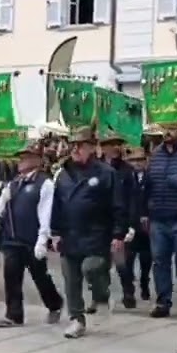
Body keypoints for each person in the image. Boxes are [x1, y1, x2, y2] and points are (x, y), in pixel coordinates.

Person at [51, 127, 128, 339]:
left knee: (91, 267)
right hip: (70, 234)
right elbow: (56, 205)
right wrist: (55, 232)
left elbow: (118, 206)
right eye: (72, 145)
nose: (75, 149)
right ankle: (77, 319)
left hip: (97, 234)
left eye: (80, 145)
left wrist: (118, 234)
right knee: (70, 280)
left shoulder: (105, 173)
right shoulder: (64, 173)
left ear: (91, 148)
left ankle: (102, 295)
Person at [0, 139, 63, 328]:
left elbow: (45, 212)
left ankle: (55, 303)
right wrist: (2, 200)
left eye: (25, 157)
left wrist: (43, 239)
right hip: (12, 238)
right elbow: (0, 210)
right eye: (20, 157)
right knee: (11, 276)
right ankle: (14, 314)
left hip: (32, 239)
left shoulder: (45, 183)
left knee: (40, 277)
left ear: (37, 160)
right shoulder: (14, 183)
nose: (20, 161)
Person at [141, 124, 177, 318]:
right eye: (165, 129)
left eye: (172, 129)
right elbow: (148, 183)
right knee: (159, 260)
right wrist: (144, 212)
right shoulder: (156, 153)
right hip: (158, 216)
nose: (167, 133)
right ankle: (163, 302)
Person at [100, 132, 140, 309]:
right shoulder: (97, 169)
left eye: (118, 144)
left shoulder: (127, 171)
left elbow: (133, 198)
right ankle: (101, 295)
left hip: (121, 221)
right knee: (100, 263)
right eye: (111, 144)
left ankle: (128, 292)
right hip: (101, 223)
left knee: (123, 263)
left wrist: (131, 224)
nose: (115, 147)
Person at [122, 146, 152, 306]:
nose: (137, 163)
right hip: (130, 223)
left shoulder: (151, 177)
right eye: (134, 161)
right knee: (128, 260)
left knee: (146, 259)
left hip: (146, 225)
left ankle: (145, 284)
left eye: (140, 160)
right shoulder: (126, 178)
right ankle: (129, 291)